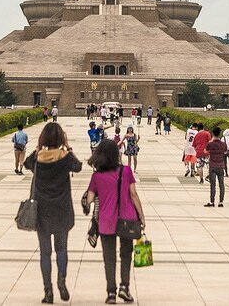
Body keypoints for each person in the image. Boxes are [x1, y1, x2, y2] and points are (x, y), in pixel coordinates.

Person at [24, 122, 83, 304]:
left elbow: (27, 163)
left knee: (45, 252)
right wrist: (68, 148)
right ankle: (62, 280)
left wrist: (37, 148)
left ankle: (48, 291)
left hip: (41, 210)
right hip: (61, 209)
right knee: (61, 248)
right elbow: (78, 166)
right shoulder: (65, 157)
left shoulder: (37, 158)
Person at [84, 139, 146, 304]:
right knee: (126, 255)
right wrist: (142, 215)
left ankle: (111, 293)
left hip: (106, 221)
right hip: (127, 218)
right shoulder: (125, 171)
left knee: (109, 258)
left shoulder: (97, 175)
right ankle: (124, 288)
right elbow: (133, 194)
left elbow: (89, 199)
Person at [204, 126, 228, 207]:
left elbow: (205, 151)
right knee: (221, 184)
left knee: (213, 184)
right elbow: (225, 152)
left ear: (212, 134)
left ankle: (212, 201)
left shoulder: (210, 144)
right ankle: (221, 202)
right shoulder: (223, 144)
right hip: (221, 165)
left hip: (212, 165)